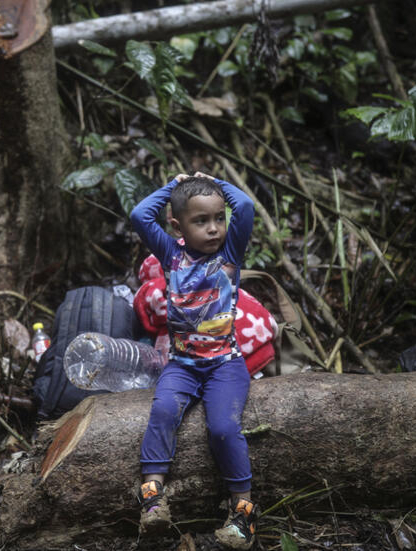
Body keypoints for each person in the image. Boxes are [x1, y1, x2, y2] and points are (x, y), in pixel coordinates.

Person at [129, 172, 258, 549]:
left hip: (225, 365)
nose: (214, 228)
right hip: (183, 365)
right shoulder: (172, 255)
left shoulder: (230, 253)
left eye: (219, 217)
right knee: (163, 410)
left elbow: (245, 207)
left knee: (222, 428)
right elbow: (140, 215)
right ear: (178, 225)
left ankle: (243, 511)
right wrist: (175, 186)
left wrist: (212, 180)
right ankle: (153, 499)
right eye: (201, 221)